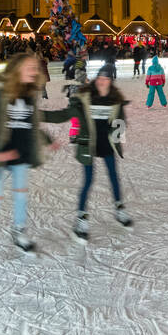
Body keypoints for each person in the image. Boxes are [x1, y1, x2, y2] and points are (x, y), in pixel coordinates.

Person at [0, 54, 64, 260]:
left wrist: (47, 140)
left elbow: (31, 122)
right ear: (17, 69)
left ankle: (19, 231)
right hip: (0, 151)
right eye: (30, 67)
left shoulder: (30, 92)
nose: (34, 71)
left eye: (35, 68)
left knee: (21, 195)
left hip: (21, 152)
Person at [59, 67, 131, 240]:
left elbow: (121, 122)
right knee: (88, 180)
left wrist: (117, 142)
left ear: (111, 81)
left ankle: (119, 209)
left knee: (114, 176)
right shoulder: (88, 96)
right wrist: (72, 96)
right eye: (99, 78)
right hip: (89, 144)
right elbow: (72, 110)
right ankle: (81, 218)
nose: (101, 81)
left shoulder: (115, 100)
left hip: (106, 145)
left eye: (105, 79)